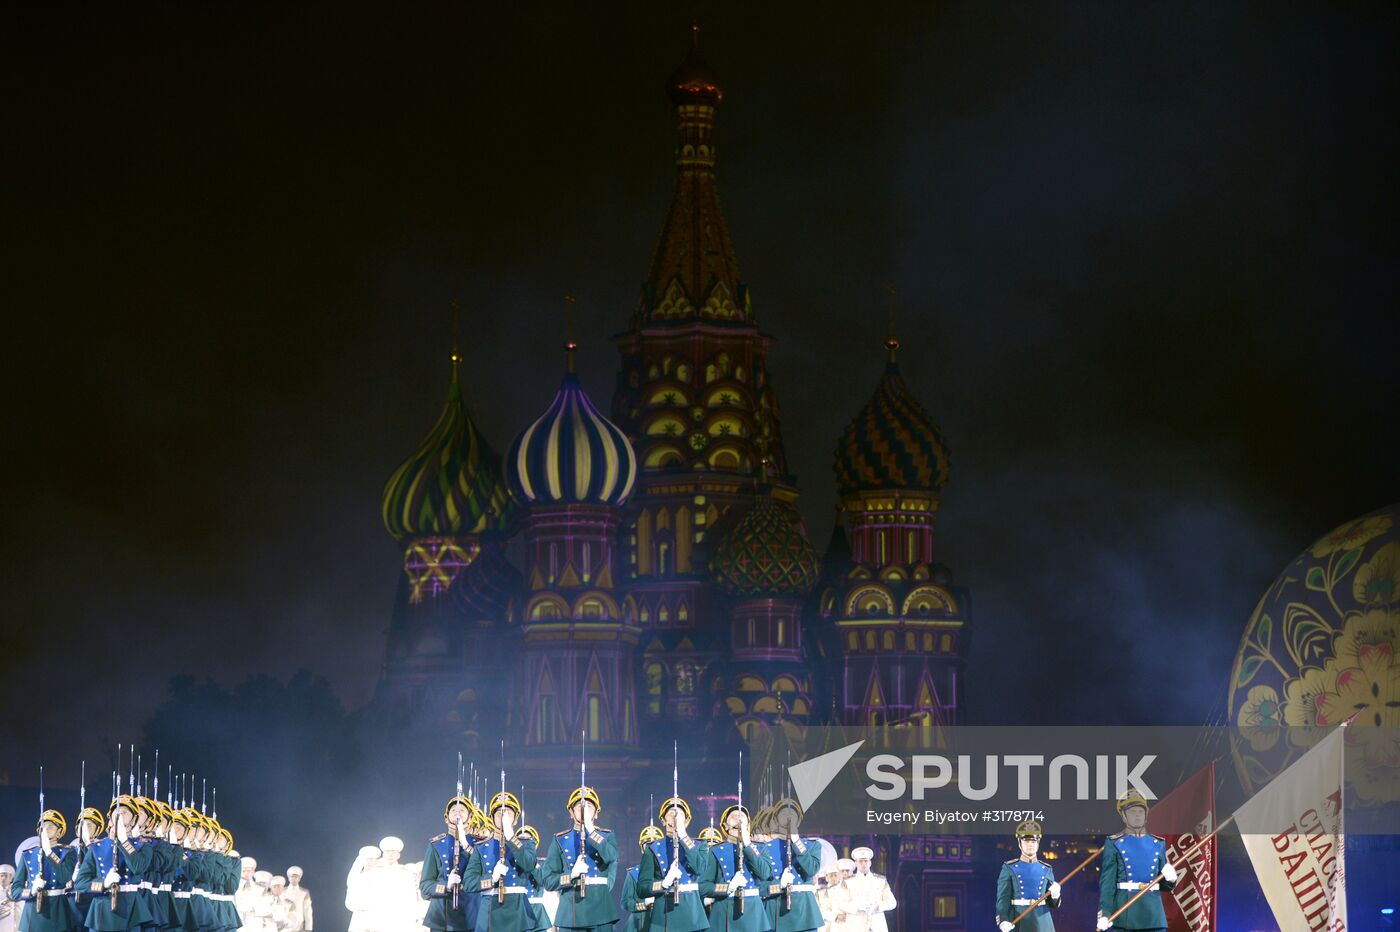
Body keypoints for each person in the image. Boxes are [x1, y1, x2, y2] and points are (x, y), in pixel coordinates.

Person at [1096, 789, 1177, 932]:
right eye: (1132, 811)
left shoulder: (1158, 844)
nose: (1137, 815)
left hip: (1153, 916)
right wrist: (1105, 913)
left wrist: (1170, 879)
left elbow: (1162, 885)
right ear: (1124, 816)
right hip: (1125, 915)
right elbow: (1108, 883)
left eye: (1141, 811)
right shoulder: (1114, 843)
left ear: (1146, 815)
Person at [541, 786, 617, 932]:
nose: (584, 810)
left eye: (589, 806)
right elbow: (548, 881)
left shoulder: (607, 837)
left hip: (600, 909)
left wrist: (591, 830)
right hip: (571, 912)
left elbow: (611, 857)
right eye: (579, 807)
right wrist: (571, 876)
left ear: (596, 813)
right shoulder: (559, 840)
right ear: (571, 812)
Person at [74, 794, 155, 931]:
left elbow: (137, 867)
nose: (120, 815)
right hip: (102, 910)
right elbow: (80, 883)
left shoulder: (143, 846)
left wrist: (123, 841)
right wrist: (103, 883)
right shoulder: (97, 847)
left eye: (125, 812)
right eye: (116, 812)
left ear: (134, 819)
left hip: (131, 910)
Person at [462, 792, 536, 932]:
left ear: (515, 820)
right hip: (490, 911)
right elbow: (469, 883)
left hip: (517, 910)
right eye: (498, 814)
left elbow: (529, 865)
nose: (503, 817)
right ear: (492, 818)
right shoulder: (481, 847)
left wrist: (511, 838)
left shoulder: (526, 843)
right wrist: (492, 878)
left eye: (508, 813)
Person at [637, 796, 709, 932]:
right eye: (671, 813)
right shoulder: (652, 848)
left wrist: (682, 835)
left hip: (691, 914)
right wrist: (664, 883)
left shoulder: (699, 845)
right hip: (663, 915)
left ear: (686, 821)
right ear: (663, 821)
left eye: (681, 814)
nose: (676, 816)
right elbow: (642, 888)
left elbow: (699, 868)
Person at [696, 805, 771, 932]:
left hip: (753, 913)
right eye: (734, 816)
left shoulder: (760, 848)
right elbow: (702, 886)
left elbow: (764, 873)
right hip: (724, 912)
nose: (738, 819)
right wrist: (727, 887)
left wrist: (748, 844)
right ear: (725, 825)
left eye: (742, 816)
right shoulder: (715, 850)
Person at [10, 809, 81, 932]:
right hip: (32, 916)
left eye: (51, 826)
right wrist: (31, 890)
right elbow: (15, 891)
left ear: (59, 833)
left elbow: (65, 877)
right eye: (43, 826)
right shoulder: (28, 855)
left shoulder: (68, 852)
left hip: (58, 913)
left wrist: (48, 852)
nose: (46, 829)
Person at [419, 796, 479, 932]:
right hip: (442, 917)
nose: (458, 812)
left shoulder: (479, 845)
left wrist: (466, 844)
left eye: (462, 810)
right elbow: (425, 887)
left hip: (471, 914)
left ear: (470, 818)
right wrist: (446, 885)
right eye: (453, 810)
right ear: (446, 818)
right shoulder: (436, 845)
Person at [760, 800, 821, 932]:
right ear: (776, 820)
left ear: (798, 821)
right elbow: (760, 887)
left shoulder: (812, 846)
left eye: (792, 816)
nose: (788, 819)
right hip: (776, 911)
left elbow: (812, 869)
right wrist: (779, 885)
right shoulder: (764, 848)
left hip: (805, 913)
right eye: (783, 815)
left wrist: (796, 841)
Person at [995, 820, 1060, 932]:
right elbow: (1003, 899)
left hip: (1042, 922)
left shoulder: (1046, 869)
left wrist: (1055, 895)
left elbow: (1052, 905)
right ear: (1020, 843)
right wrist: (1003, 920)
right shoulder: (1009, 868)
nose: (1030, 844)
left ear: (1038, 843)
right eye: (1027, 841)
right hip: (1019, 920)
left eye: (1034, 841)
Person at [836, 848, 894, 932]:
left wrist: (878, 906)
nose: (863, 864)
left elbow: (892, 902)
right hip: (856, 925)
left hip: (877, 924)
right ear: (856, 863)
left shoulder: (880, 881)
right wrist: (857, 907)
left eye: (866, 861)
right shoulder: (848, 882)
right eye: (860, 861)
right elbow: (840, 903)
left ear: (870, 862)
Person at [621, 826, 662, 932]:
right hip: (639, 924)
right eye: (648, 845)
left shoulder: (669, 873)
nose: (651, 849)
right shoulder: (633, 874)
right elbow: (625, 903)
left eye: (655, 845)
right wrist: (644, 903)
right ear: (642, 848)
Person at [346, 846, 381, 932]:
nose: (369, 862)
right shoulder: (356, 877)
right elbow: (349, 900)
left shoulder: (381, 877)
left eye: (372, 859)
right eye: (367, 859)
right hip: (358, 918)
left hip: (376, 917)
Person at [283, 867, 312, 932]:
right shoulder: (282, 891)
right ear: (288, 878)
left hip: (299, 926)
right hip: (285, 926)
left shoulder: (304, 892)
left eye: (296, 877)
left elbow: (308, 910)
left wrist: (308, 928)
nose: (294, 879)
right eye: (292, 876)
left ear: (299, 879)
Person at [0, 865, 15, 932]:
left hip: (13, 925)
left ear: (11, 878)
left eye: (6, 876)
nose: (3, 878)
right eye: (1, 875)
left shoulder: (16, 891)